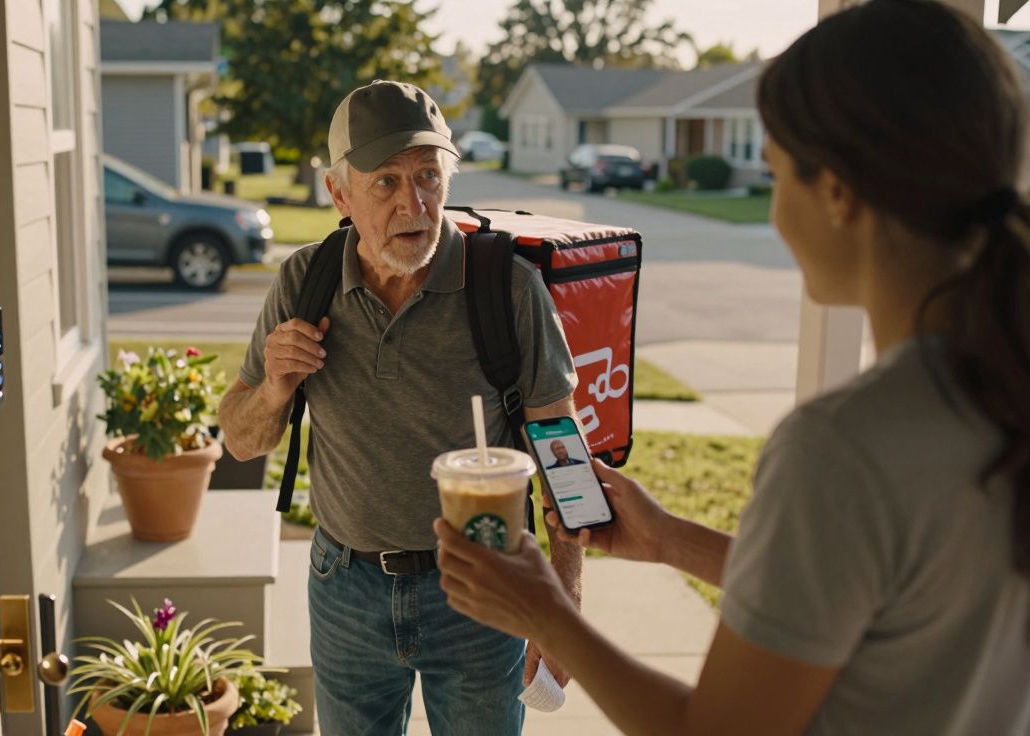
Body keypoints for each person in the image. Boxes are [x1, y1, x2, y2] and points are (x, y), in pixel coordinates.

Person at [434, 1, 1030, 733]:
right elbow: (888, 597)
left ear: (838, 192)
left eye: (777, 172)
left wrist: (546, 615)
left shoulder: (844, 448)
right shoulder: (1001, 386)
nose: (777, 211)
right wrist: (672, 541)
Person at [218, 80, 585, 735]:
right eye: (384, 182)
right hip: (346, 588)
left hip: (483, 591)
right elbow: (243, 441)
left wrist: (563, 601)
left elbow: (562, 452)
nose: (413, 203)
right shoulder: (306, 283)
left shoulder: (508, 288)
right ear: (339, 193)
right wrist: (275, 387)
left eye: (427, 176)